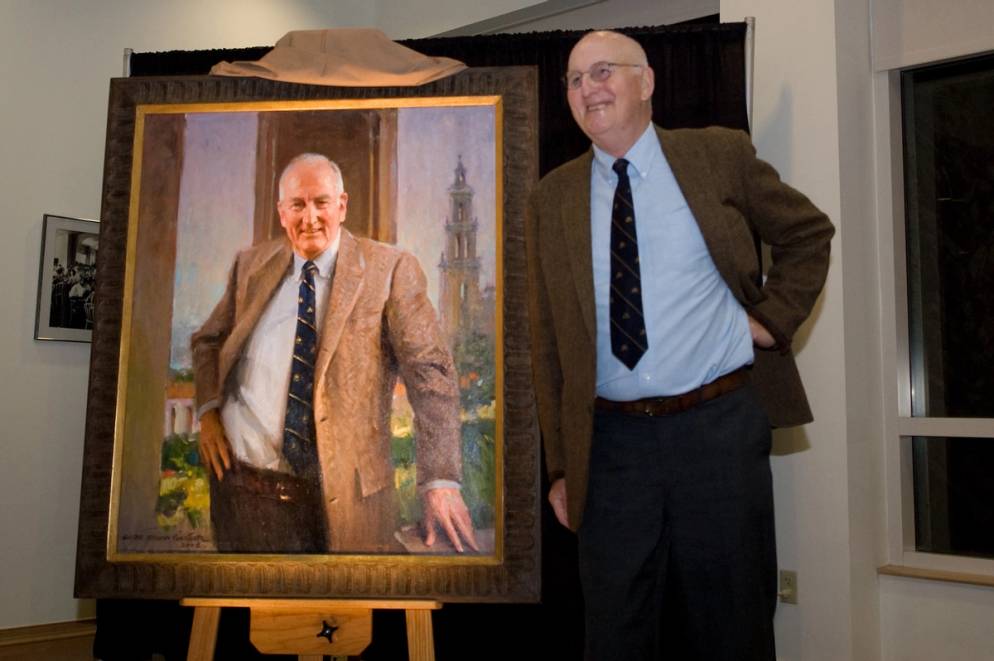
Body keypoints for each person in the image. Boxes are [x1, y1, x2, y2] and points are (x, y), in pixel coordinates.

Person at [526, 31, 834, 660]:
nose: (589, 88)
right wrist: (560, 466)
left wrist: (771, 320)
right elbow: (548, 340)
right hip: (609, 452)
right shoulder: (550, 197)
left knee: (732, 627)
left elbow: (808, 233)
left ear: (647, 82)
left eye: (604, 71)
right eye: (576, 79)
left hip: (715, 432)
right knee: (614, 634)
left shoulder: (716, 156)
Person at [191, 153, 479, 554]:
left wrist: (441, 481)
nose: (309, 218)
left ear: (342, 206)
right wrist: (208, 412)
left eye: (321, 202)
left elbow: (431, 374)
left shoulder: (390, 270)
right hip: (241, 494)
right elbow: (208, 341)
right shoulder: (250, 266)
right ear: (282, 212)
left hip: (339, 505)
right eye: (297, 205)